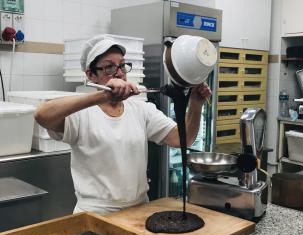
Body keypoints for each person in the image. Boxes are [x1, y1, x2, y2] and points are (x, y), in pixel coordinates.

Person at [35, 34, 211, 215]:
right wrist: (103, 95)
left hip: (139, 211)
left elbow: (184, 139)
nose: (119, 73)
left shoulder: (141, 109)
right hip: (95, 214)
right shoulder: (81, 114)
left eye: (122, 66)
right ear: (90, 75)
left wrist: (195, 105)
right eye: (109, 67)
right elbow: (42, 115)